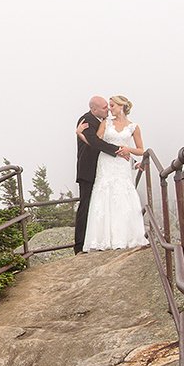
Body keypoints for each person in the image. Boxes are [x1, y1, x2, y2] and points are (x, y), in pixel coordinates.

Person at [80, 95, 149, 251]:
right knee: (104, 195)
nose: (109, 108)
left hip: (122, 165)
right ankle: (103, 239)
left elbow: (141, 150)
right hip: (106, 163)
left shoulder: (134, 127)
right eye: (108, 106)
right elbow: (95, 143)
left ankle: (124, 237)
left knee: (123, 196)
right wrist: (80, 134)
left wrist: (128, 150)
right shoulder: (105, 123)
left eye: (112, 105)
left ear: (122, 106)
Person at [73, 95, 121, 253]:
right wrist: (119, 151)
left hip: (102, 170)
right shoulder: (86, 120)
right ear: (93, 109)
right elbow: (94, 142)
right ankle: (79, 245)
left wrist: (131, 160)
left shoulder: (102, 122)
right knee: (86, 206)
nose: (107, 109)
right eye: (104, 107)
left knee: (99, 205)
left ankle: (99, 239)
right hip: (88, 170)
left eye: (108, 106)